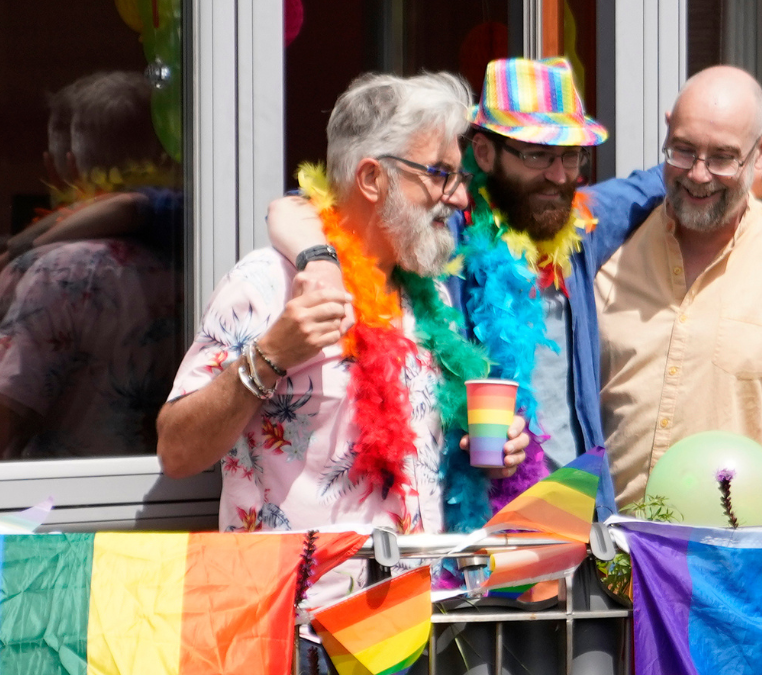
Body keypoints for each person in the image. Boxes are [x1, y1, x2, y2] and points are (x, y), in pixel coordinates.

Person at [265, 57, 762, 530]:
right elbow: (305, 206)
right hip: (476, 525)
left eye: (571, 156)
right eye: (539, 155)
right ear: (487, 153)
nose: (561, 174)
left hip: (584, 526)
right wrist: (317, 259)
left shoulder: (582, 226)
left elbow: (692, 177)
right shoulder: (441, 235)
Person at [155, 73, 528, 590]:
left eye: (459, 176)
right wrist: (268, 359)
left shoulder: (430, 297)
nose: (461, 197)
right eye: (441, 173)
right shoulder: (268, 283)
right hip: (296, 631)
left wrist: (480, 453)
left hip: (415, 624)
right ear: (373, 179)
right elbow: (177, 452)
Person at [596, 66, 762, 522]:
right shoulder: (606, 252)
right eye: (683, 151)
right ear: (667, 131)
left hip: (736, 574)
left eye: (722, 157)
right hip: (602, 570)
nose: (699, 175)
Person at [0, 71, 184, 461]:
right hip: (169, 494)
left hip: (58, 507)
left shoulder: (56, 271)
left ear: (62, 168)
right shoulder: (205, 247)